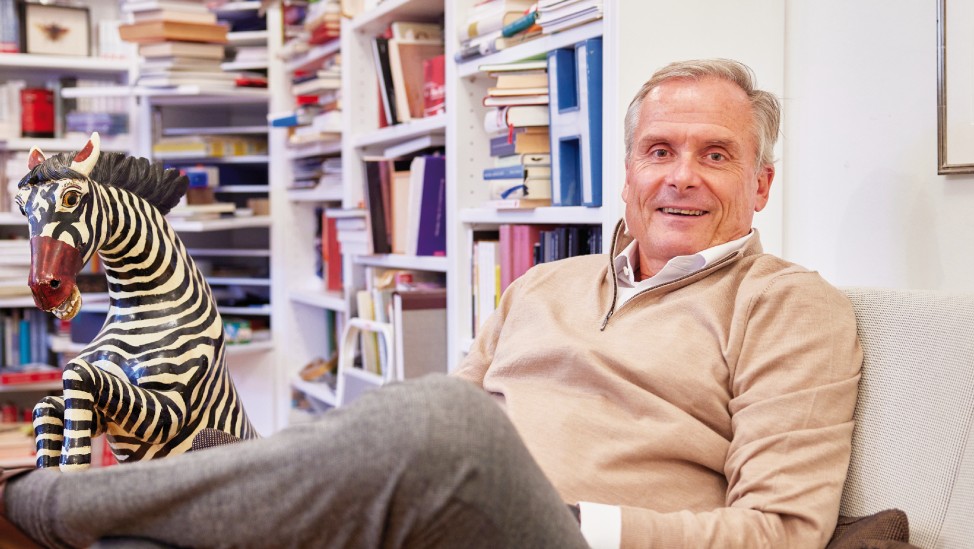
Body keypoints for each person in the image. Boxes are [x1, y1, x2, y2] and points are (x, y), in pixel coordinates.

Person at [0, 59, 862, 549]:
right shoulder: (541, 284)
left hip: (565, 537)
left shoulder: (790, 307)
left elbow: (781, 531)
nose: (681, 175)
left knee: (442, 423)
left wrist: (576, 520)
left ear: (761, 184)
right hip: (444, 524)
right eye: (659, 149)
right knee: (236, 444)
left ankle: (47, 503)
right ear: (628, 172)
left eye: (715, 155)